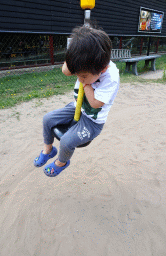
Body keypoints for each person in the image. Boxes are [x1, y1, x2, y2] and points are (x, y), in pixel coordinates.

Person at [34, 25, 120, 177]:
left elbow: (94, 104)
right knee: (47, 119)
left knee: (66, 141)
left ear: (102, 69)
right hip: (77, 107)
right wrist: (73, 59)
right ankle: (48, 150)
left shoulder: (111, 77)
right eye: (77, 76)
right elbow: (65, 71)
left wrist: (86, 85)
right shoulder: (86, 62)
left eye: (83, 76)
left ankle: (62, 162)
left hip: (92, 121)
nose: (79, 80)